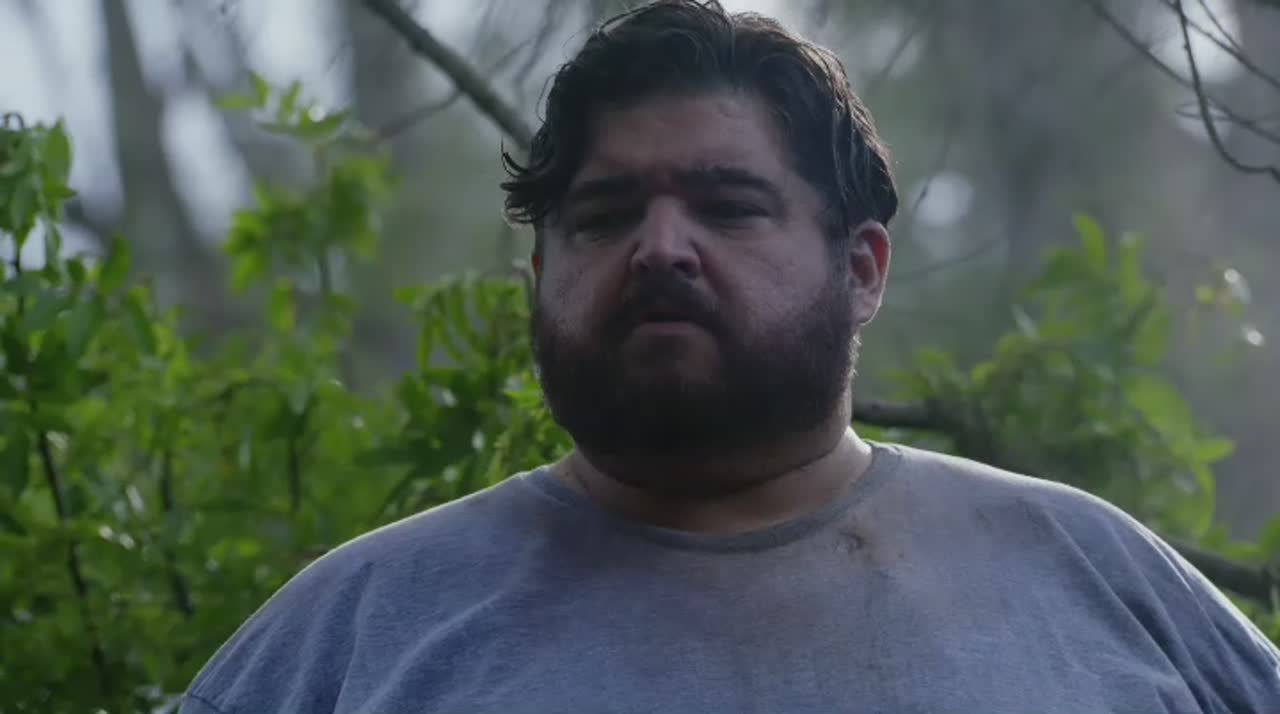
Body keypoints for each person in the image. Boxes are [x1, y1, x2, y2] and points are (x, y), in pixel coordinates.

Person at [180, 1, 1280, 712]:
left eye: (728, 205)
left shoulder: (1093, 577)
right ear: (539, 277)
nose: (660, 248)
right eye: (605, 215)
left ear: (862, 268)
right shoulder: (351, 638)